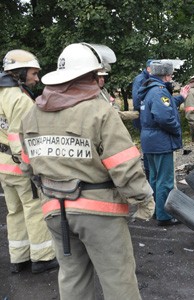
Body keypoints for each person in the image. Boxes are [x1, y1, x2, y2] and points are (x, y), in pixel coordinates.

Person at [18, 43, 154, 299]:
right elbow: (124, 166)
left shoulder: (32, 114)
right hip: (100, 212)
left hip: (54, 211)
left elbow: (27, 165)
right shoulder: (99, 111)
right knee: (118, 278)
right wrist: (143, 198)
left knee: (72, 276)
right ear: (89, 77)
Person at [0, 49, 58, 274]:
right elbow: (20, 139)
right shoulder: (20, 99)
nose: (36, 78)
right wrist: (32, 167)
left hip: (3, 166)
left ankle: (19, 257)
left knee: (13, 211)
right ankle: (42, 257)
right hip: (19, 166)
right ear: (19, 73)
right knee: (34, 208)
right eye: (34, 73)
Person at [138, 60, 190, 226]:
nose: (172, 77)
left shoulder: (149, 90)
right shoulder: (159, 92)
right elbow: (164, 117)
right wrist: (176, 130)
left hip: (149, 141)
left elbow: (167, 106)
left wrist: (181, 97)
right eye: (171, 75)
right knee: (165, 180)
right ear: (166, 76)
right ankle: (165, 215)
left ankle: (156, 210)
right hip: (161, 141)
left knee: (154, 177)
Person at [132, 59, 152, 179]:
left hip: (145, 116)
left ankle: (150, 173)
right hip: (142, 117)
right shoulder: (140, 79)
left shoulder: (148, 78)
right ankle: (149, 174)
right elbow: (136, 99)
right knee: (147, 147)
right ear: (148, 68)